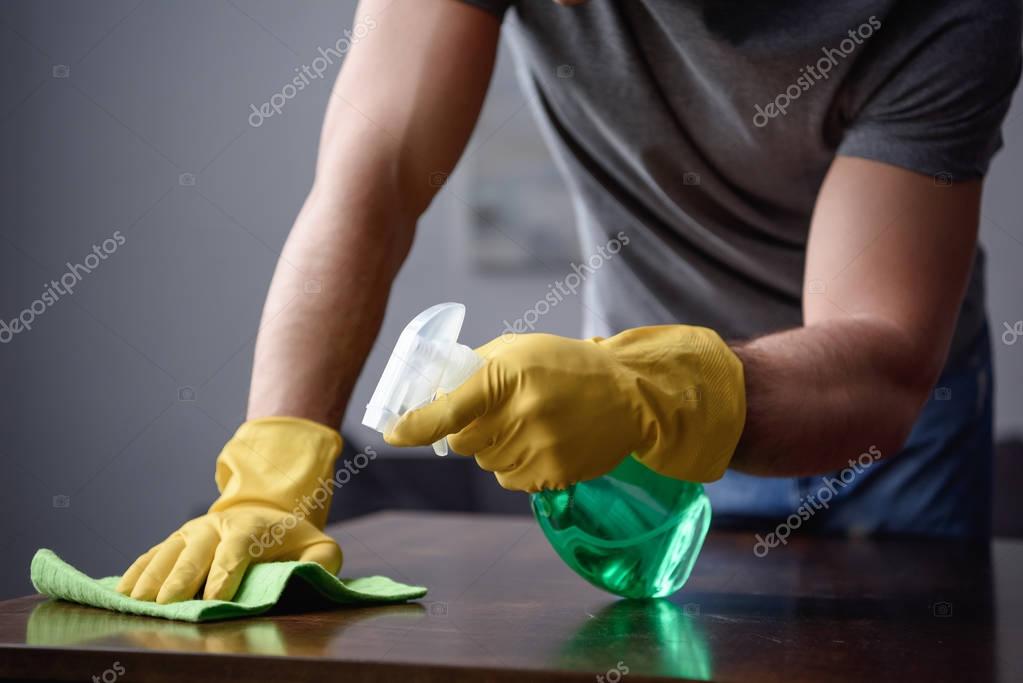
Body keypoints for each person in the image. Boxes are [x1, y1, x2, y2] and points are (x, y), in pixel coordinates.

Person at [116, 0, 1021, 603]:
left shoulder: (953, 15)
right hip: (623, 418)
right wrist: (277, 465)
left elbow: (881, 350)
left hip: (889, 425)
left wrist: (645, 390)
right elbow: (370, 185)